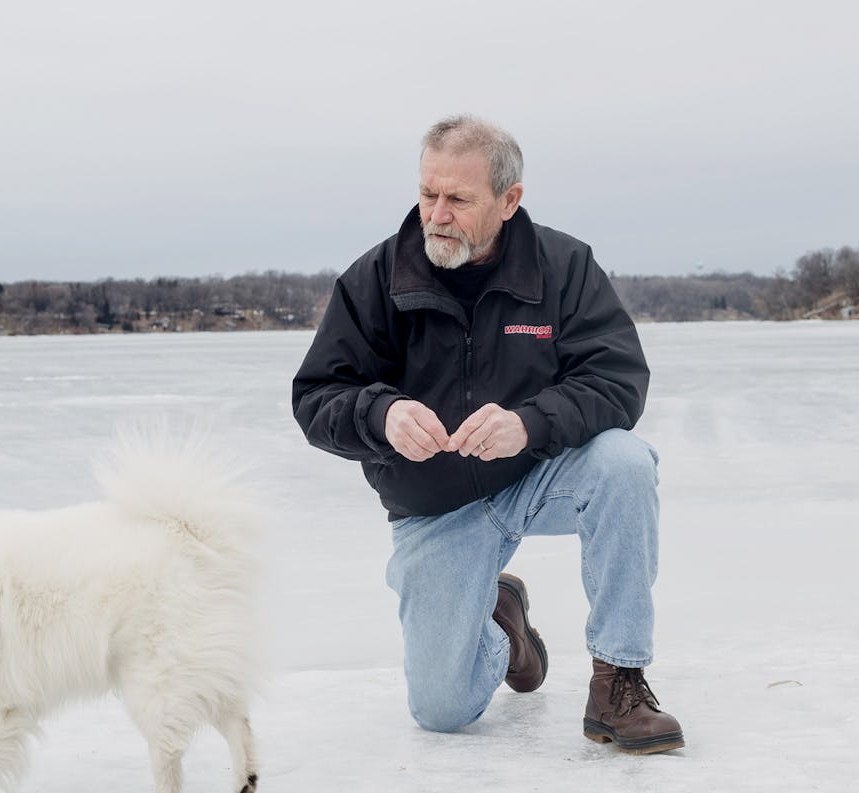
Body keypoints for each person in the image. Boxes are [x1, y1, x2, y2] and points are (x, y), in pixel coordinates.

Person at [290, 115, 683, 754]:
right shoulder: (377, 278)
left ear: (509, 200)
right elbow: (314, 397)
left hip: (536, 478)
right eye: (428, 195)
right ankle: (503, 620)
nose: (438, 214)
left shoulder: (562, 266)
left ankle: (620, 681)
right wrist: (380, 415)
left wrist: (529, 425)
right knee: (442, 712)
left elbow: (618, 379)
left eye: (459, 199)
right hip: (434, 507)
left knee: (624, 464)